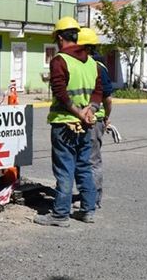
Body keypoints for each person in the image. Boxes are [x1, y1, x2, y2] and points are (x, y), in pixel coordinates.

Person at [35, 16, 102, 227]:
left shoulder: (60, 60)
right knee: (84, 166)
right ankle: (88, 210)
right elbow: (98, 92)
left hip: (64, 124)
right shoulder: (91, 62)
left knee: (65, 169)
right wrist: (90, 110)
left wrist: (78, 112)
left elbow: (60, 93)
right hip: (85, 124)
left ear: (60, 38)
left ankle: (60, 214)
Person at [78, 27, 113, 208]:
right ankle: (91, 198)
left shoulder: (79, 65)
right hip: (92, 120)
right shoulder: (98, 67)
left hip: (81, 120)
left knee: (84, 161)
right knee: (90, 160)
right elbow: (107, 99)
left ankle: (90, 198)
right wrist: (106, 117)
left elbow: (107, 98)